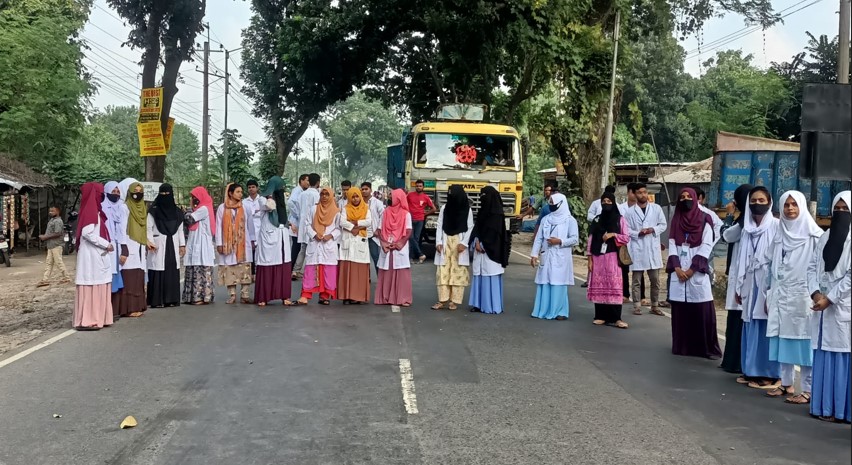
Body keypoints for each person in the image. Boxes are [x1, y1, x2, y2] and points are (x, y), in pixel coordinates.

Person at [763, 190, 822, 401]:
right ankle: (786, 383)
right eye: (786, 205)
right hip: (780, 296)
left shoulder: (814, 236)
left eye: (794, 205)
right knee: (783, 341)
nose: (790, 209)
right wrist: (766, 295)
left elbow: (820, 269)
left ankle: (807, 390)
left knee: (804, 344)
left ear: (802, 207)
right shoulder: (779, 235)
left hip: (803, 297)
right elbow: (769, 266)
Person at [807, 191, 851, 423]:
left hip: (842, 305)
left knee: (842, 358)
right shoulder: (825, 237)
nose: (841, 213)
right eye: (838, 209)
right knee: (823, 354)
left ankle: (842, 410)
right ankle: (823, 407)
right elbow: (812, 267)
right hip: (821, 304)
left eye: (846, 209)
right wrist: (815, 293)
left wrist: (830, 298)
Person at [666, 187, 722, 359]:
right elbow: (672, 244)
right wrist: (676, 267)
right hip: (679, 270)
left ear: (695, 199)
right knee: (681, 311)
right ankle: (683, 347)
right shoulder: (676, 219)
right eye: (681, 197)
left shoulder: (705, 219)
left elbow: (706, 246)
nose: (685, 200)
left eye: (688, 197)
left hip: (696, 271)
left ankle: (705, 349)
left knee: (701, 310)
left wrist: (691, 270)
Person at [735, 186, 781, 389]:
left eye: (762, 200)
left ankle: (771, 374)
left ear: (770, 203)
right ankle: (752, 370)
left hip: (767, 282)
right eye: (754, 200)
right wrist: (739, 286)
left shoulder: (777, 226)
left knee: (767, 326)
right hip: (750, 282)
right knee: (751, 324)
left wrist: (772, 290)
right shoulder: (747, 228)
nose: (757, 204)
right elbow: (740, 260)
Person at [719, 184, 753, 374]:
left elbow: (725, 236)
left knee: (738, 321)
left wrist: (730, 214)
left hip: (743, 278)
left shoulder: (742, 223)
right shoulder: (753, 221)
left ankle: (735, 362)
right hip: (745, 277)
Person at [530, 192, 579, 320]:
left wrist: (560, 241)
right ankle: (543, 310)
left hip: (561, 256)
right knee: (545, 282)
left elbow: (574, 239)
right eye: (550, 203)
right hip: (546, 255)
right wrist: (534, 254)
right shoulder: (546, 219)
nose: (551, 205)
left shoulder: (570, 220)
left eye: (554, 203)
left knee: (558, 283)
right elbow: (539, 238)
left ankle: (560, 312)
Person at [73, 183, 114, 330]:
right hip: (92, 255)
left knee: (97, 282)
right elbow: (87, 233)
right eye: (100, 193)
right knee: (92, 282)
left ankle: (99, 317)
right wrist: (106, 244)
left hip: (95, 255)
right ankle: (89, 319)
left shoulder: (94, 212)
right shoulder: (91, 213)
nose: (102, 196)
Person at [587, 192, 630, 328]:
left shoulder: (620, 219)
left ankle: (616, 318)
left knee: (614, 285)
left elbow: (626, 237)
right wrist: (589, 259)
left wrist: (613, 234)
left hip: (613, 256)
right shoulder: (597, 220)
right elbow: (590, 239)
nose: (606, 203)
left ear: (613, 202)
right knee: (600, 285)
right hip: (598, 256)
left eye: (609, 201)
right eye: (604, 201)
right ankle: (600, 316)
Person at [625, 182, 667, 316]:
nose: (643, 195)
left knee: (655, 280)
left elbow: (663, 225)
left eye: (644, 192)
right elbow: (626, 230)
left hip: (652, 248)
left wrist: (652, 229)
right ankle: (637, 305)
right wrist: (638, 233)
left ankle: (655, 305)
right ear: (635, 194)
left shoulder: (656, 208)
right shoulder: (629, 212)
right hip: (637, 248)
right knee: (636, 280)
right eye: (639, 192)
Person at [295, 187, 341, 305]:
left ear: (331, 196)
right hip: (315, 243)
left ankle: (324, 296)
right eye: (322, 194)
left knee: (328, 271)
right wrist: (314, 234)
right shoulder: (314, 209)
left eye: (327, 194)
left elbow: (339, 228)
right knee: (310, 271)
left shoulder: (336, 212)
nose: (324, 197)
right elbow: (307, 224)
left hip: (328, 245)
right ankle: (305, 295)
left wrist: (330, 236)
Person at [431, 185, 474, 310]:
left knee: (458, 272)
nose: (451, 196)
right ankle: (442, 300)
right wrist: (438, 242)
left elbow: (470, 227)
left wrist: (464, 244)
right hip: (445, 243)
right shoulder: (445, 208)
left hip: (459, 244)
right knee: (443, 272)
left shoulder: (467, 209)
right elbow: (439, 225)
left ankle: (454, 301)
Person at [253, 176, 293, 307]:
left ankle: (285, 296)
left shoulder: (282, 199)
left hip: (282, 234)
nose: (282, 190)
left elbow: (283, 214)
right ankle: (263, 297)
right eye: (280, 187)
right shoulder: (262, 199)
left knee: (283, 264)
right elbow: (270, 206)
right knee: (268, 265)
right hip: (269, 236)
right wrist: (270, 195)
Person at [469, 186, 509, 314]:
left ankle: (491, 305)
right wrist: (476, 241)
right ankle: (478, 304)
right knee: (480, 274)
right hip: (479, 248)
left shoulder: (497, 215)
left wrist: (484, 244)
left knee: (490, 274)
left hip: (492, 251)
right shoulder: (482, 212)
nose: (482, 198)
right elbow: (477, 228)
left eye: (484, 195)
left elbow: (495, 234)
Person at [146, 184, 186, 308]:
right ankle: (157, 300)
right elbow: (148, 228)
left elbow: (180, 230)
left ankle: (171, 299)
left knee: (171, 269)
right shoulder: (153, 211)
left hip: (172, 243)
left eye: (167, 194)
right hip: (157, 244)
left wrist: (182, 245)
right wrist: (150, 242)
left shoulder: (177, 212)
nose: (164, 196)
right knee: (158, 270)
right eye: (162, 194)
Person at [217, 183, 255, 304]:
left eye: (241, 192)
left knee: (244, 269)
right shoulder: (222, 208)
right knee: (230, 269)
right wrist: (219, 243)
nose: (240, 194)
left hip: (243, 243)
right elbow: (218, 227)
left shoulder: (246, 207)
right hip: (228, 244)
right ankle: (232, 295)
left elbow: (250, 225)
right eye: (238, 192)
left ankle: (245, 295)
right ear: (230, 193)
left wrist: (253, 239)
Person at [114, 179, 147, 317]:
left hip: (139, 246)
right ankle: (128, 309)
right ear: (129, 192)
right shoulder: (125, 207)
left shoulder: (142, 207)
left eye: (140, 192)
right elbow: (121, 230)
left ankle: (138, 306)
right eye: (135, 191)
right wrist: (124, 249)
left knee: (138, 277)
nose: (137, 194)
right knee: (129, 277)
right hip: (128, 245)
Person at [375, 189, 414, 307]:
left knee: (401, 271)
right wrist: (385, 242)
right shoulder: (385, 212)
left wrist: (398, 243)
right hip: (387, 245)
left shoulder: (406, 214)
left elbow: (408, 231)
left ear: (398, 198)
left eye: (392, 195)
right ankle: (385, 297)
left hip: (399, 247)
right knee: (386, 270)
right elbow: (379, 229)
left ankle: (402, 298)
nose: (390, 197)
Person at [182, 186, 216, 306]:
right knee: (193, 266)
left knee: (200, 268)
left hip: (202, 243)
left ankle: (200, 297)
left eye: (195, 198)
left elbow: (189, 220)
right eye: (192, 198)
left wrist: (188, 209)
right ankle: (192, 297)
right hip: (195, 241)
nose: (193, 200)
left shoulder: (204, 209)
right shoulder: (199, 209)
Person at [338, 188, 372, 305]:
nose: (355, 199)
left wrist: (355, 223)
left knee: (359, 271)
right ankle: (346, 296)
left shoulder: (366, 208)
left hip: (360, 240)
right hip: (348, 240)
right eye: (353, 196)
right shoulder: (345, 208)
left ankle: (358, 296)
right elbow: (342, 222)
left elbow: (369, 222)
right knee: (347, 270)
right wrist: (354, 228)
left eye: (357, 196)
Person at [102, 181, 129, 319]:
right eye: (113, 191)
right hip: (105, 245)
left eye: (118, 192)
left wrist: (124, 248)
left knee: (116, 277)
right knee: (107, 277)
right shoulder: (102, 208)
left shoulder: (122, 208)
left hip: (118, 245)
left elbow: (123, 229)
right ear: (106, 191)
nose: (116, 194)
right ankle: (105, 310)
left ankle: (114, 310)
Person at [585, 184, 615, 289]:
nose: (606, 203)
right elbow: (589, 215)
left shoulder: (616, 206)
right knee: (594, 259)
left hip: (610, 239)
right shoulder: (596, 203)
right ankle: (589, 280)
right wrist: (598, 221)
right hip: (597, 232)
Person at [293, 173, 321, 279]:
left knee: (303, 248)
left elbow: (299, 208)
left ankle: (296, 270)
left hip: (303, 223)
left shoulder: (302, 194)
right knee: (314, 248)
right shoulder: (317, 195)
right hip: (313, 224)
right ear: (318, 182)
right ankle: (313, 272)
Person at [38, 205, 70, 287]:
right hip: (51, 245)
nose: (50, 212)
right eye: (50, 211)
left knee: (58, 262)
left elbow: (58, 233)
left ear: (58, 211)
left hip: (56, 245)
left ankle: (66, 277)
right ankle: (45, 279)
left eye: (53, 211)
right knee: (49, 263)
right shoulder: (52, 220)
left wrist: (45, 237)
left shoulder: (58, 221)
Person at [407, 180, 436, 264]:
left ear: (423, 187)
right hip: (410, 219)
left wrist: (425, 214)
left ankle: (412, 257)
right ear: (415, 187)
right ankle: (419, 255)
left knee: (416, 238)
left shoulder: (426, 197)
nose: (418, 187)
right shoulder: (409, 195)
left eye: (420, 186)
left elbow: (434, 209)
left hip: (420, 220)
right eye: (417, 186)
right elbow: (404, 204)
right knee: (411, 237)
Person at [361, 182, 385, 276]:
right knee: (363, 258)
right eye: (362, 189)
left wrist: (378, 230)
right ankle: (366, 278)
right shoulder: (359, 202)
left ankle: (381, 279)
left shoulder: (377, 202)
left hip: (373, 234)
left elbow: (383, 216)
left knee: (375, 256)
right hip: (361, 234)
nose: (364, 191)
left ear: (370, 190)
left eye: (366, 189)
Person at [288, 174, 309, 279]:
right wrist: (298, 215)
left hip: (297, 222)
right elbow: (290, 202)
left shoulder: (302, 191)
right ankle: (291, 269)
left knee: (298, 246)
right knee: (296, 247)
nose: (308, 183)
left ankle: (294, 270)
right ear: (301, 181)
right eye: (306, 180)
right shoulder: (297, 191)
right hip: (295, 222)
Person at [243, 179, 263, 278]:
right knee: (251, 250)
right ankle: (251, 273)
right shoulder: (244, 202)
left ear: (257, 188)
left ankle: (259, 272)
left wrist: (255, 212)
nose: (251, 189)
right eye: (249, 187)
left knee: (260, 251)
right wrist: (255, 212)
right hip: (249, 228)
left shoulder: (262, 200)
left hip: (261, 228)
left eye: (253, 187)